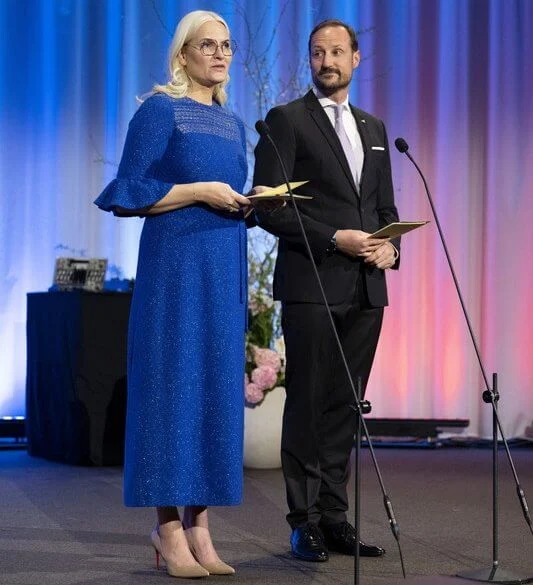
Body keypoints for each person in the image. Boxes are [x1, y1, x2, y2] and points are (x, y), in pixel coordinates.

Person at [95, 10, 272, 579]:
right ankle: (167, 528)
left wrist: (251, 201)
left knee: (212, 389)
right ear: (183, 54)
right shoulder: (159, 111)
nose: (220, 55)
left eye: (227, 46)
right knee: (171, 387)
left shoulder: (234, 123)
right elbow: (128, 190)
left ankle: (200, 524)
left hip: (222, 267)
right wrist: (197, 190)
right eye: (208, 46)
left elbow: (227, 196)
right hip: (174, 268)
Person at [253, 19, 400, 562]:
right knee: (309, 403)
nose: (326, 61)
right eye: (317, 53)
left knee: (345, 407)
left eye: (337, 51)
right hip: (313, 282)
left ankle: (335, 516)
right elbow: (269, 207)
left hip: (367, 290)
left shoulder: (375, 128)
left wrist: (392, 248)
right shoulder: (284, 121)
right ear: (309, 60)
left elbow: (385, 210)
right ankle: (304, 522)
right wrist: (334, 237)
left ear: (355, 59)